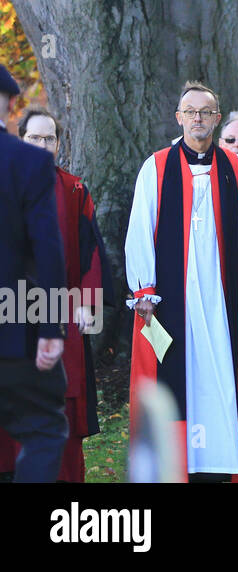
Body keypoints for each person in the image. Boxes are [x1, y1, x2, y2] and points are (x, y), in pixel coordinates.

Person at [125, 81, 238, 482]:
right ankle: (175, 461)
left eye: (206, 112)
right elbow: (139, 227)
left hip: (219, 293)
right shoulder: (157, 166)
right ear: (179, 117)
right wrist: (143, 288)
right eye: (191, 111)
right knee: (175, 372)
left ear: (217, 119)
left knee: (219, 366)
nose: (198, 118)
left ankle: (216, 461)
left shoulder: (236, 168)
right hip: (171, 292)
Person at [0, 109, 108, 482]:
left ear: (59, 144)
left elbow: (90, 256)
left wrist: (87, 306)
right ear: (21, 139)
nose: (43, 145)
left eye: (50, 139)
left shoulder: (74, 190)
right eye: (35, 138)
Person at [0, 66, 67, 483]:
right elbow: (47, 250)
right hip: (12, 332)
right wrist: (51, 327)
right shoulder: (28, 163)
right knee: (43, 429)